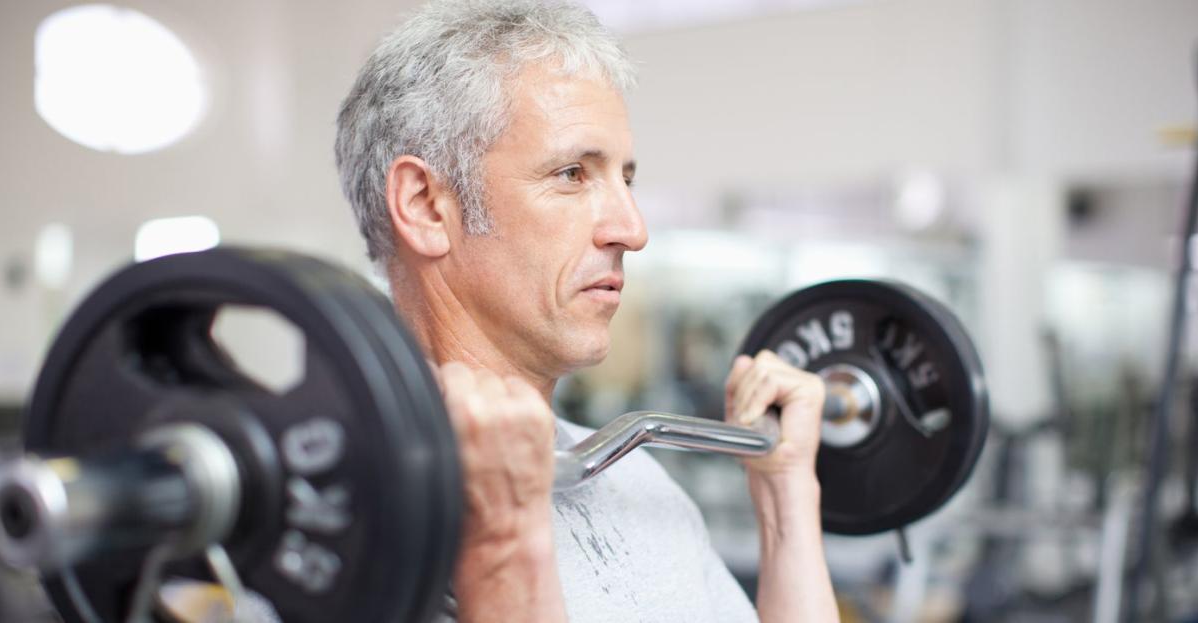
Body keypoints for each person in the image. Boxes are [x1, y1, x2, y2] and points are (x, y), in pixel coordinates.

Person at [334, 1, 838, 621]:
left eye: (625, 180)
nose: (633, 228)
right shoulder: (317, 526)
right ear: (426, 205)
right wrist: (500, 547)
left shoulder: (636, 481)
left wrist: (786, 499)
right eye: (573, 174)